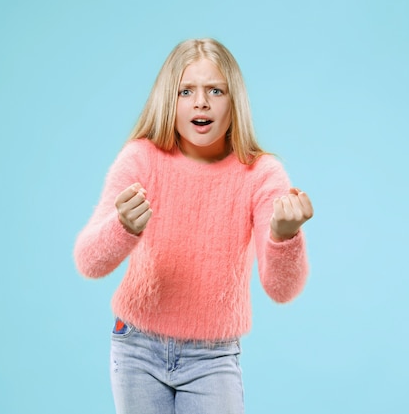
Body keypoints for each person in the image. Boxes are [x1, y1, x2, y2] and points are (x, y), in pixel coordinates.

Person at [73, 37, 313, 414]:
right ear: (170, 100)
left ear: (234, 102)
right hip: (137, 348)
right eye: (187, 91)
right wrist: (123, 227)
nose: (201, 102)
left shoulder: (262, 174)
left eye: (215, 90)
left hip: (213, 358)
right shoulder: (141, 158)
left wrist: (284, 236)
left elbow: (282, 290)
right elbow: (88, 261)